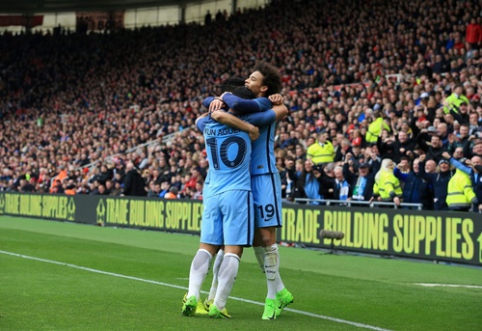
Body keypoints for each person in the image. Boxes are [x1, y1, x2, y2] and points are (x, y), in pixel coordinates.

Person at [205, 64, 293, 320]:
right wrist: (217, 100)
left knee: (266, 238)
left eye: (252, 78)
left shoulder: (269, 107)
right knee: (236, 240)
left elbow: (282, 110)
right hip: (238, 180)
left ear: (264, 87)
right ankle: (215, 296)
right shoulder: (237, 106)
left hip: (262, 176)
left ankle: (272, 298)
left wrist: (219, 101)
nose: (246, 80)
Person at [181, 85, 275, 319]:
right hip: (237, 191)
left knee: (206, 247)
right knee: (233, 249)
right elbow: (275, 112)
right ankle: (218, 303)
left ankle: (192, 295)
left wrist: (214, 105)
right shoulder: (251, 119)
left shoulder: (208, 124)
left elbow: (199, 120)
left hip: (212, 192)